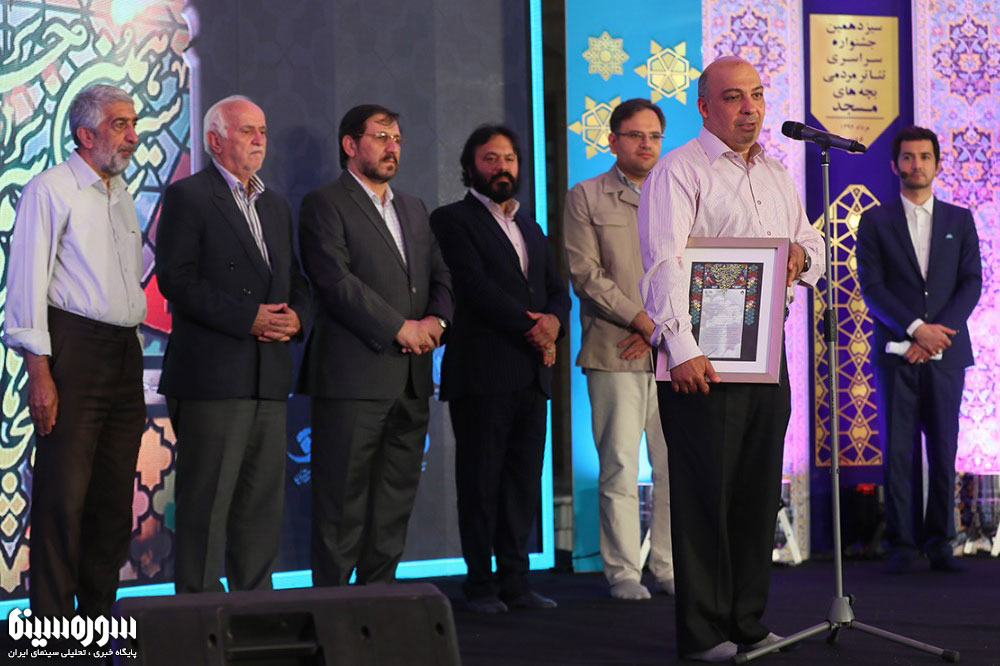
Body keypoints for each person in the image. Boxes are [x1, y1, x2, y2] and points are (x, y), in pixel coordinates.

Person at [637, 56, 825, 662]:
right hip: (702, 361)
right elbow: (663, 264)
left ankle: (746, 621)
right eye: (734, 97)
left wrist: (801, 255)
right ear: (704, 107)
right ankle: (701, 633)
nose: (750, 108)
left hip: (765, 358)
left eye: (758, 96)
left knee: (756, 493)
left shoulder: (775, 173)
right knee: (704, 498)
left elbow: (812, 241)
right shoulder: (679, 171)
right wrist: (682, 348)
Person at [156, 95, 311, 593]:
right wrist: (248, 318)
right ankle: (198, 615)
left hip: (269, 377)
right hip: (213, 378)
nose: (259, 140)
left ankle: (256, 612)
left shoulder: (275, 205)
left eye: (262, 130)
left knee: (259, 511)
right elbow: (176, 279)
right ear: (214, 140)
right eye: (247, 131)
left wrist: (298, 319)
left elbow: (297, 280)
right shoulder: (189, 196)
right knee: (206, 509)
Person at [4, 84, 146, 618]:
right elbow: (26, 285)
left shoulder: (120, 192)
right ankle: (54, 631)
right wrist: (39, 373)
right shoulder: (50, 190)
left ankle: (98, 622)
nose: (132, 136)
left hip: (123, 351)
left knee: (112, 502)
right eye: (119, 125)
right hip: (74, 350)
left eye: (133, 124)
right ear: (85, 135)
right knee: (63, 500)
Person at [298, 104, 453, 586]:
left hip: (411, 380)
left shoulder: (413, 207)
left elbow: (442, 276)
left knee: (393, 507)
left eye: (398, 139)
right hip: (354, 380)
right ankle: (332, 612)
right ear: (350, 144)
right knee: (341, 508)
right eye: (382, 137)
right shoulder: (325, 203)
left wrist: (437, 322)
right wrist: (399, 328)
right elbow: (334, 280)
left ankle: (378, 607)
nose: (393, 147)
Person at [430, 125, 571, 613]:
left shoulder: (530, 226)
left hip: (532, 375)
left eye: (509, 158)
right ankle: (479, 585)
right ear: (470, 167)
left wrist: (554, 322)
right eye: (490, 159)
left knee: (522, 483)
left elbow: (557, 289)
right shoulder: (452, 220)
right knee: (480, 482)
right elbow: (473, 287)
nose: (502, 167)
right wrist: (532, 326)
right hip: (482, 373)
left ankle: (516, 581)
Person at [856, 126, 982, 575]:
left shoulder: (960, 220)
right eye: (908, 157)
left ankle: (940, 541)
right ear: (895, 165)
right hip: (896, 352)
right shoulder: (875, 221)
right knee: (899, 451)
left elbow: (972, 282)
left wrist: (935, 336)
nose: (916, 165)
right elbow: (872, 287)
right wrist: (914, 331)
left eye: (925, 157)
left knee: (944, 449)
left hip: (947, 353)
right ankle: (902, 544)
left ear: (938, 164)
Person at [563, 98, 674, 600]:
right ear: (612, 141)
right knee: (620, 466)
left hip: (673, 353)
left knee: (675, 468)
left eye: (654, 136)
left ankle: (669, 566)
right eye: (635, 135)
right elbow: (586, 275)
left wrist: (662, 329)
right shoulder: (586, 195)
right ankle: (624, 571)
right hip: (616, 351)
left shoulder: (677, 192)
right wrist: (642, 322)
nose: (646, 144)